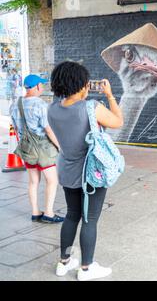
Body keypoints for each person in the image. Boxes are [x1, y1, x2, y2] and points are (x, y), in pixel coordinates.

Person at [48, 61, 123, 281]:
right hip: (91, 173)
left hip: (67, 170)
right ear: (81, 84)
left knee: (72, 215)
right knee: (90, 219)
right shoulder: (90, 107)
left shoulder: (52, 109)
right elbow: (118, 121)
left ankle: (64, 262)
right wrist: (109, 95)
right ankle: (86, 269)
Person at [10, 74, 63, 223]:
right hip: (42, 149)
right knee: (52, 180)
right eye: (42, 85)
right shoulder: (40, 104)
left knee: (33, 181)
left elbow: (15, 127)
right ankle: (49, 213)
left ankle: (35, 212)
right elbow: (48, 130)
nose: (43, 87)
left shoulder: (16, 103)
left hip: (27, 148)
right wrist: (59, 146)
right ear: (37, 86)